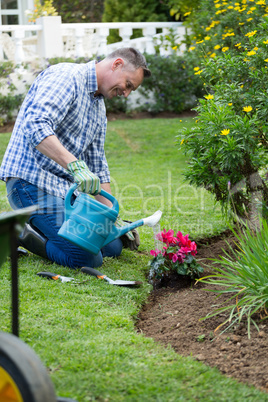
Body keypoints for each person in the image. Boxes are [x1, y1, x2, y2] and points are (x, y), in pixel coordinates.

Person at [0, 47, 151, 269]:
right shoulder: (66, 77)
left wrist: (111, 217)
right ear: (117, 64)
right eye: (128, 84)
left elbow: (97, 163)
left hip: (62, 192)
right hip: (29, 184)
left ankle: (45, 229)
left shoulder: (98, 107)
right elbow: (35, 124)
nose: (126, 93)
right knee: (88, 258)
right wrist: (75, 165)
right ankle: (16, 232)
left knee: (112, 246)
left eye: (131, 90)